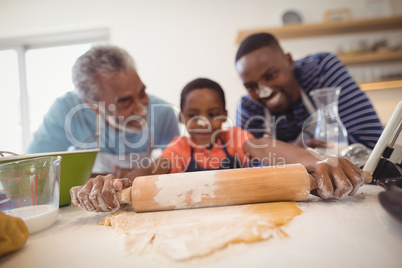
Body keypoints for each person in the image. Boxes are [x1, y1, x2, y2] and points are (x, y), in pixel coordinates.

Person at [70, 78, 367, 212]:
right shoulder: (178, 150)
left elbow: (266, 146)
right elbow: (147, 172)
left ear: (224, 117)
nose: (203, 123)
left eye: (213, 115)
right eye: (194, 115)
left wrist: (314, 160)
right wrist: (119, 184)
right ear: (183, 118)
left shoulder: (235, 139)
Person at [26, 45, 180, 174]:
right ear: (92, 105)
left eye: (142, 93)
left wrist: (142, 174)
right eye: (125, 101)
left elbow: (179, 163)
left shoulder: (163, 112)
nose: (141, 109)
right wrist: (99, 179)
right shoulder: (66, 111)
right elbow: (30, 172)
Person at [235, 32, 383, 150]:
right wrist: (294, 152)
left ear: (289, 61)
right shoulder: (248, 108)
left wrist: (284, 154)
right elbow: (245, 165)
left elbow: (371, 141)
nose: (264, 92)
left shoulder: (321, 70)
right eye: (251, 86)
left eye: (270, 76)